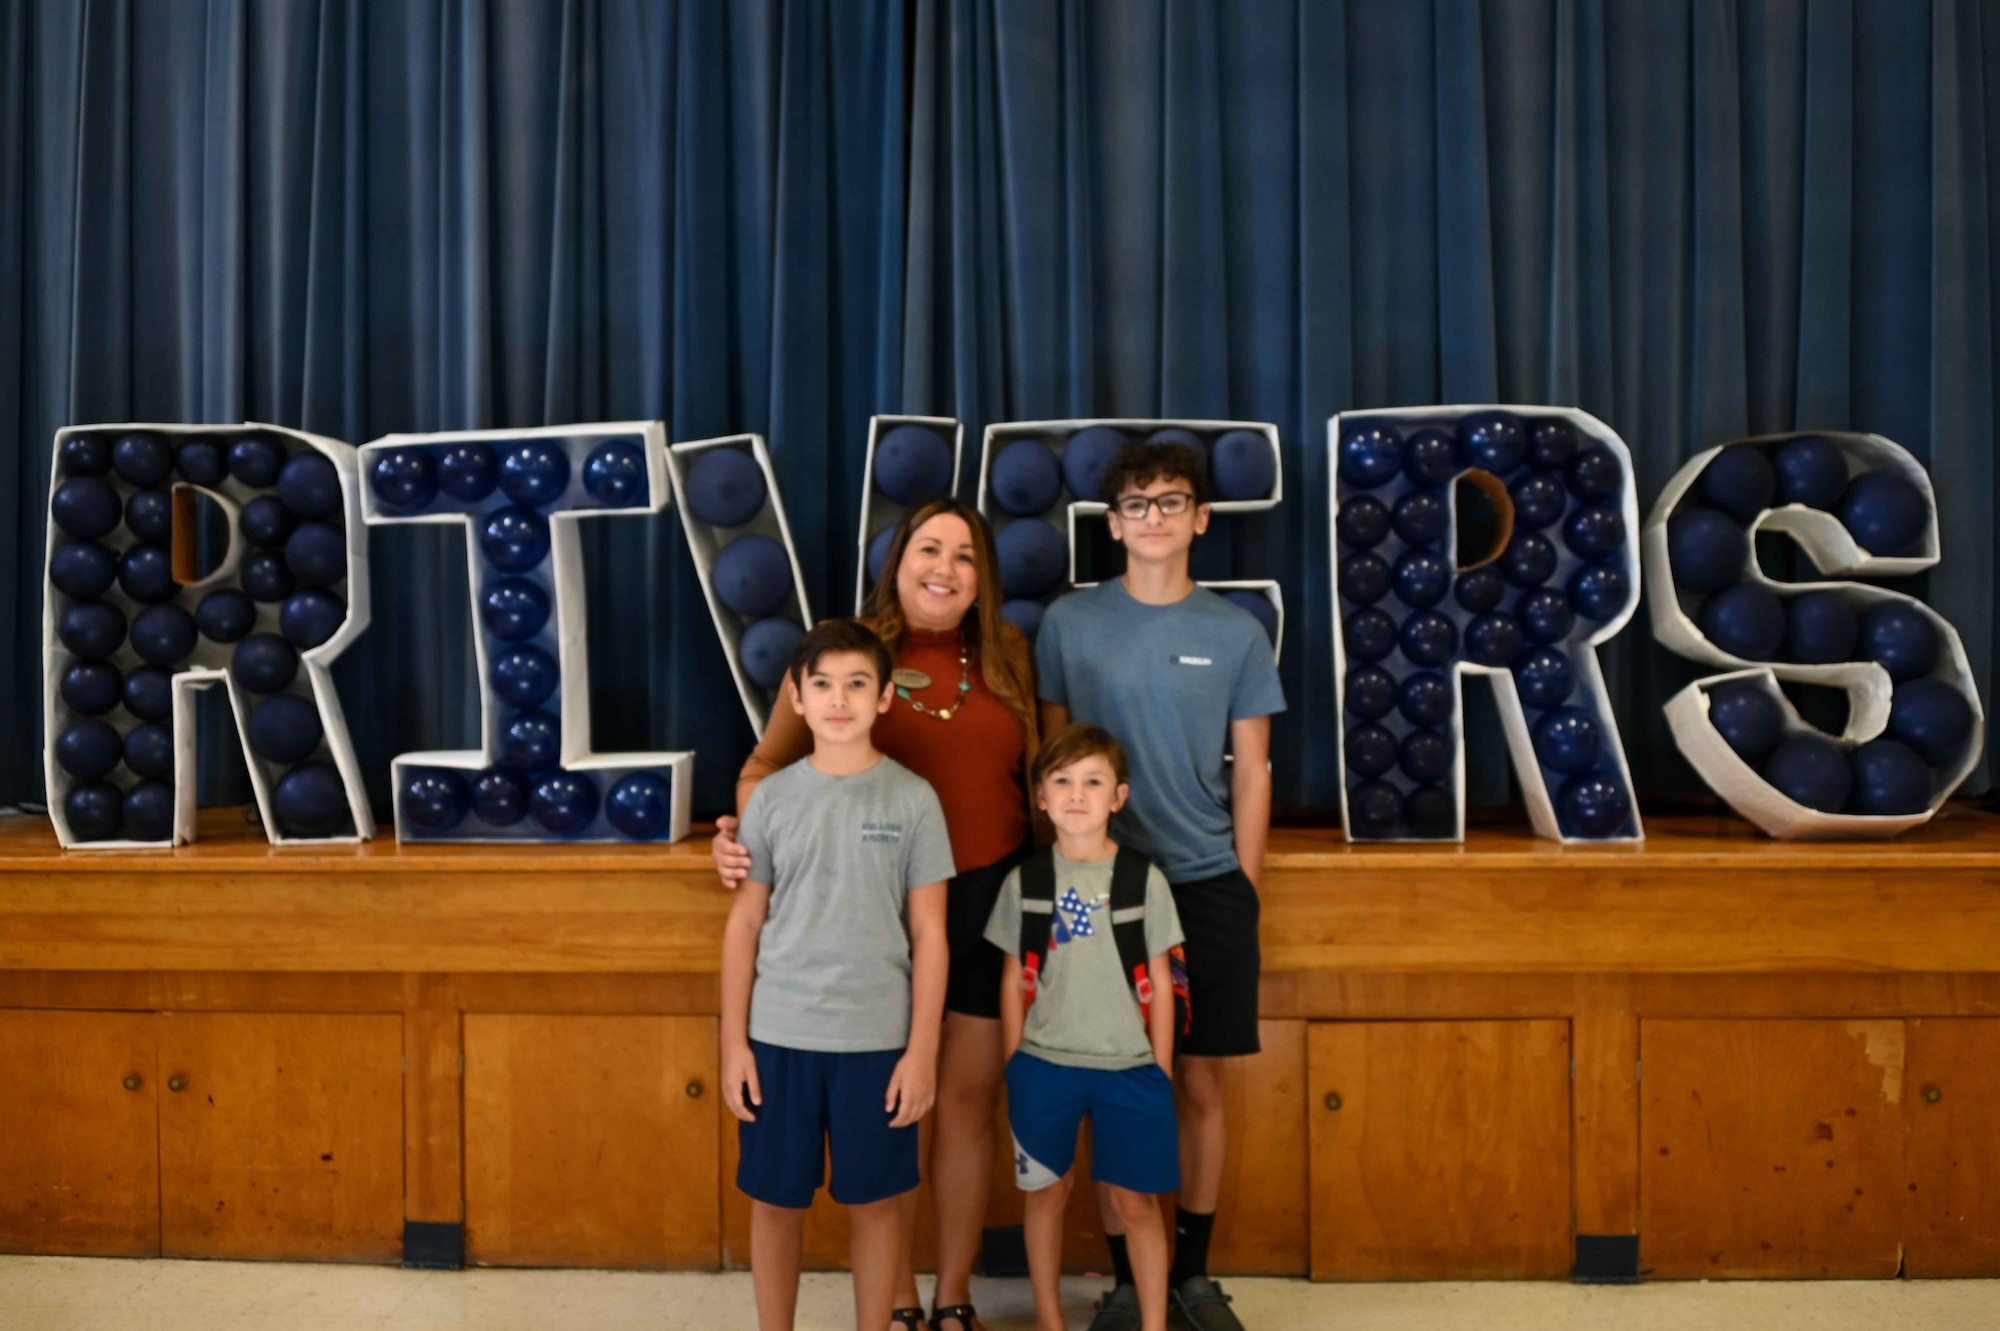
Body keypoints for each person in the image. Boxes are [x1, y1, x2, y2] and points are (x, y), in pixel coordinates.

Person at [714, 498, 1039, 1331]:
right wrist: (743, 843)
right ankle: (895, 1300)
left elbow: (1037, 776)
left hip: (983, 899)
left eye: (966, 556)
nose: (945, 567)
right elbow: (764, 769)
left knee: (961, 1102)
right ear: (895, 563)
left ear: (984, 578)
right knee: (884, 1117)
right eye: (928, 548)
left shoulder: (1006, 653)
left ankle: (953, 1292)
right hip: (871, 909)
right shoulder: (849, 653)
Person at [1034, 439, 1286, 1331]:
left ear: (1201, 517)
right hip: (1101, 888)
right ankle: (1122, 1277)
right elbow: (1055, 761)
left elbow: (1253, 771)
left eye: (1171, 501)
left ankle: (1193, 1275)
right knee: (1117, 1081)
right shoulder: (1070, 623)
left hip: (1207, 882)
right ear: (1114, 524)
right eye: (1136, 504)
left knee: (1200, 1084)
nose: (1153, 517)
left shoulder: (1235, 632)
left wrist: (1243, 885)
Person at [721, 618, 958, 1331]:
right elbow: (744, 925)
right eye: (821, 683)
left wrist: (922, 1051)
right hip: (779, 1037)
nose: (839, 698)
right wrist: (734, 1042)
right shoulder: (772, 799)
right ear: (796, 695)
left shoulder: (913, 799)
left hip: (877, 1041)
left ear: (886, 697)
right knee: (775, 1200)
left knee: (878, 1203)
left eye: (858, 683)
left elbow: (931, 934)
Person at [987, 724, 1183, 1331]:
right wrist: (1016, 1059)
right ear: (1040, 797)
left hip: (1130, 1067)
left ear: (1118, 797)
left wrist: (1161, 1069)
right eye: (1063, 781)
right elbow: (1014, 978)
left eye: (1093, 781)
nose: (1077, 794)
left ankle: (1154, 1322)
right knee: (1046, 1194)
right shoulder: (1027, 883)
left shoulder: (1143, 880)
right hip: (1045, 1066)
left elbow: (1164, 982)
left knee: (1136, 1203)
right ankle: (1050, 1321)